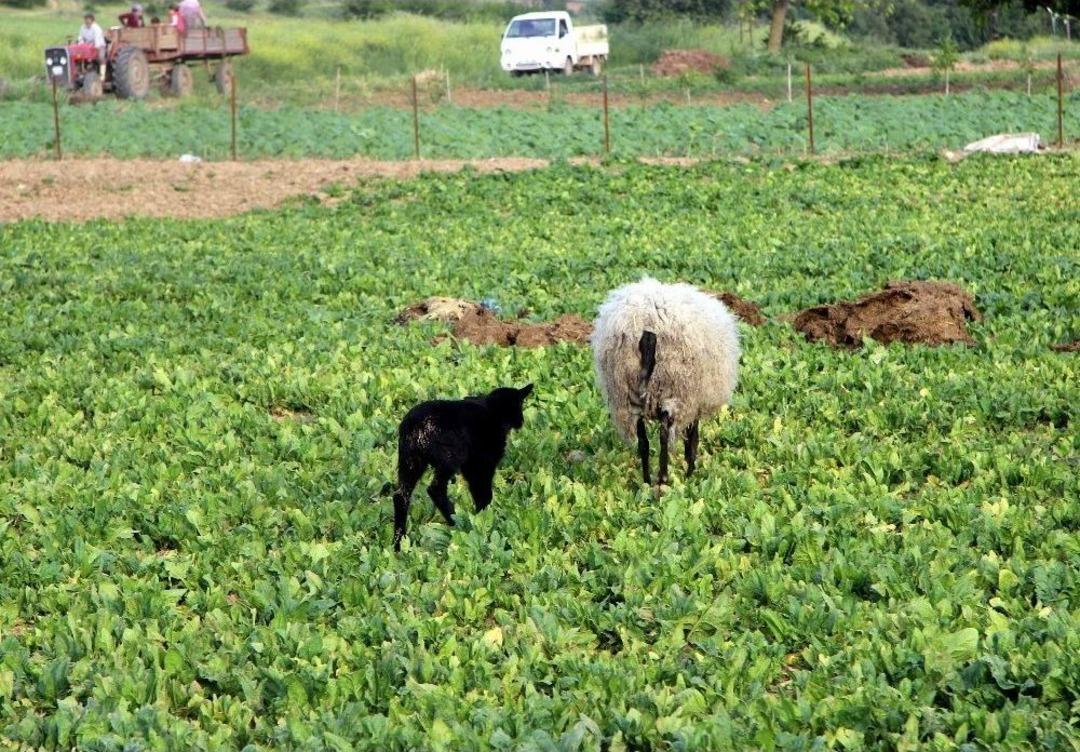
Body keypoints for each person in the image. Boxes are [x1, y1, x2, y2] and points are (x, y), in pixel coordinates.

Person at [78, 13, 106, 78]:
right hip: (87, 46)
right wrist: (81, 44)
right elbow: (80, 37)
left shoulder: (96, 28)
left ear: (92, 20)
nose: (87, 21)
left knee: (101, 57)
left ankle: (102, 75)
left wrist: (96, 47)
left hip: (99, 45)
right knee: (80, 57)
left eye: (88, 19)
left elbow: (97, 38)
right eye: (86, 19)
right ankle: (82, 72)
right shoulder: (82, 27)